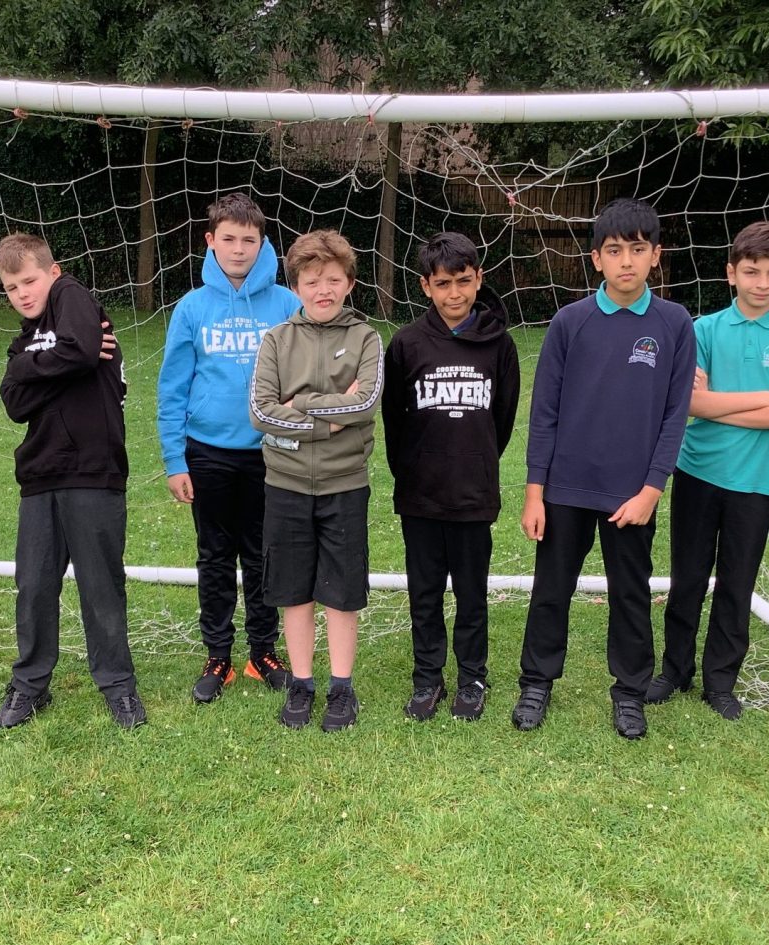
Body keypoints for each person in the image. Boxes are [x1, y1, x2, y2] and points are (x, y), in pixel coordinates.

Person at [514, 198, 695, 740]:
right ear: (596, 259)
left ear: (655, 255)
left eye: (637, 249)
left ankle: (630, 692)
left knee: (630, 593)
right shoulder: (570, 322)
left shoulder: (674, 324)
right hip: (565, 488)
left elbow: (675, 415)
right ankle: (537, 682)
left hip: (631, 494)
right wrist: (535, 492)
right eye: (614, 251)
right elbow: (544, 411)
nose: (626, 261)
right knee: (551, 589)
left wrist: (651, 489)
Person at [647, 221, 769, 719]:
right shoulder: (703, 329)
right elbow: (691, 404)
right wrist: (765, 396)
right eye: (751, 271)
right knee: (687, 579)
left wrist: (722, 403)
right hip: (698, 471)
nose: (762, 283)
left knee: (736, 583)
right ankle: (674, 670)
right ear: (731, 273)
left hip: (757, 481)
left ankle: (720, 681)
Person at [0, 232, 146, 729]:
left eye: (29, 280)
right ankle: (30, 684)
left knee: (101, 587)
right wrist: (42, 361)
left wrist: (36, 367)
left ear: (52, 273)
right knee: (34, 585)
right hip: (39, 475)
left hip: (94, 470)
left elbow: (80, 354)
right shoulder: (24, 339)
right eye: (12, 287)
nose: (23, 293)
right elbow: (14, 402)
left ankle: (118, 685)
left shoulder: (71, 294)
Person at [157, 193, 300, 703]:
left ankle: (263, 652)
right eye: (229, 239)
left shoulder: (287, 305)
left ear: (263, 243)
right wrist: (174, 459)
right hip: (208, 453)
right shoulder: (192, 308)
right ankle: (218, 655)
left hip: (271, 453)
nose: (239, 249)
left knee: (265, 555)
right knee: (215, 556)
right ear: (210, 240)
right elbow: (173, 387)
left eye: (249, 240)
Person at [382, 231, 520, 722]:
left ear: (478, 279)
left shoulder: (500, 344)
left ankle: (473, 677)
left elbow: (502, 419)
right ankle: (427, 678)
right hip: (420, 495)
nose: (455, 293)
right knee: (424, 593)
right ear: (426, 286)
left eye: (463, 281)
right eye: (443, 284)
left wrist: (475, 462)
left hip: (473, 494)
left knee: (471, 593)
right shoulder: (406, 343)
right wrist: (415, 472)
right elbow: (394, 420)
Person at [249, 229, 382, 731]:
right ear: (296, 286)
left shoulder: (366, 338)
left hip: (344, 483)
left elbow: (365, 403)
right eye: (311, 281)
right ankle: (302, 684)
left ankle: (341, 688)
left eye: (332, 280)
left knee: (342, 592)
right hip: (284, 484)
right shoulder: (276, 340)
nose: (322, 290)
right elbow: (262, 412)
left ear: (349, 283)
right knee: (294, 591)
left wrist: (300, 405)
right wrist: (329, 418)